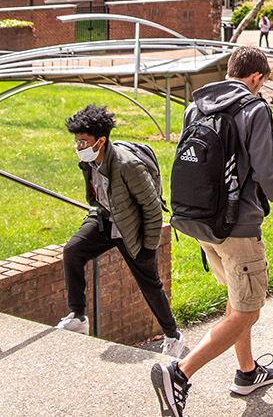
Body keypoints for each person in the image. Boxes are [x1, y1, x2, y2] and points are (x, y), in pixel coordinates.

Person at [152, 47, 273, 417]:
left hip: (202, 222)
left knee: (238, 300)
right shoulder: (254, 109)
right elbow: (268, 174)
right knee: (247, 312)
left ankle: (248, 372)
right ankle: (179, 373)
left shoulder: (196, 106)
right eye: (262, 83)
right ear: (256, 78)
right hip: (238, 226)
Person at [57, 104, 184, 357]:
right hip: (105, 219)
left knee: (150, 284)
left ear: (101, 141)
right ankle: (78, 316)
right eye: (77, 141)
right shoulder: (90, 162)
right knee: (73, 251)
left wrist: (148, 246)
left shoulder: (128, 165)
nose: (78, 147)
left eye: (83, 142)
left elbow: (152, 209)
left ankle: (173, 336)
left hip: (132, 229)